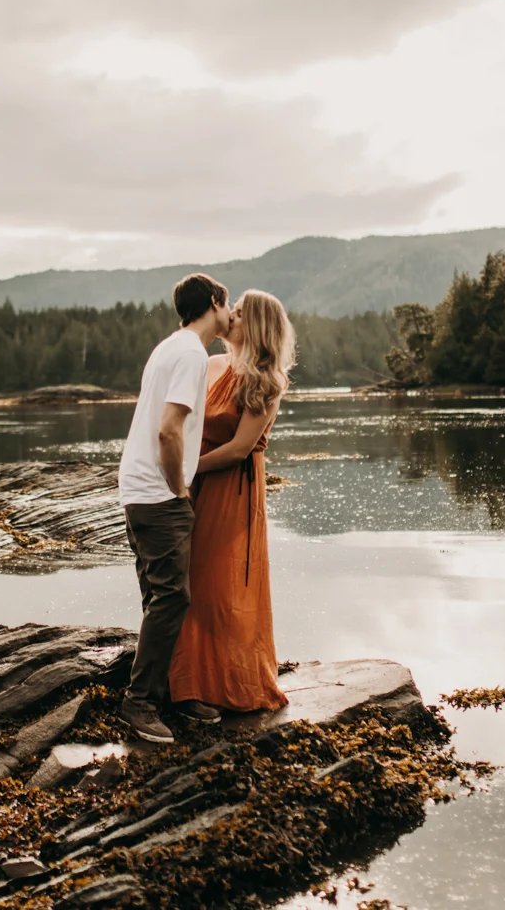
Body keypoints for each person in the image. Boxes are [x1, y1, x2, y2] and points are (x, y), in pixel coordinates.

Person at [117, 272, 231, 744]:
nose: (231, 314)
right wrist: (178, 488)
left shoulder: (169, 346)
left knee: (157, 597)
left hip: (136, 488)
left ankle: (165, 695)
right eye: (227, 304)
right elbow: (168, 430)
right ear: (212, 302)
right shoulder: (190, 354)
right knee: (173, 598)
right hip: (157, 493)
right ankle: (140, 704)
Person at [169, 289, 295, 713]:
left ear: (256, 325)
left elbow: (240, 448)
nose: (229, 319)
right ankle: (187, 683)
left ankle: (227, 683)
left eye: (238, 314)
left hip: (232, 488)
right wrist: (179, 476)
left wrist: (188, 469)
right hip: (196, 482)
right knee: (189, 580)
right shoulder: (211, 365)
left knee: (221, 584)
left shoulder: (267, 381)